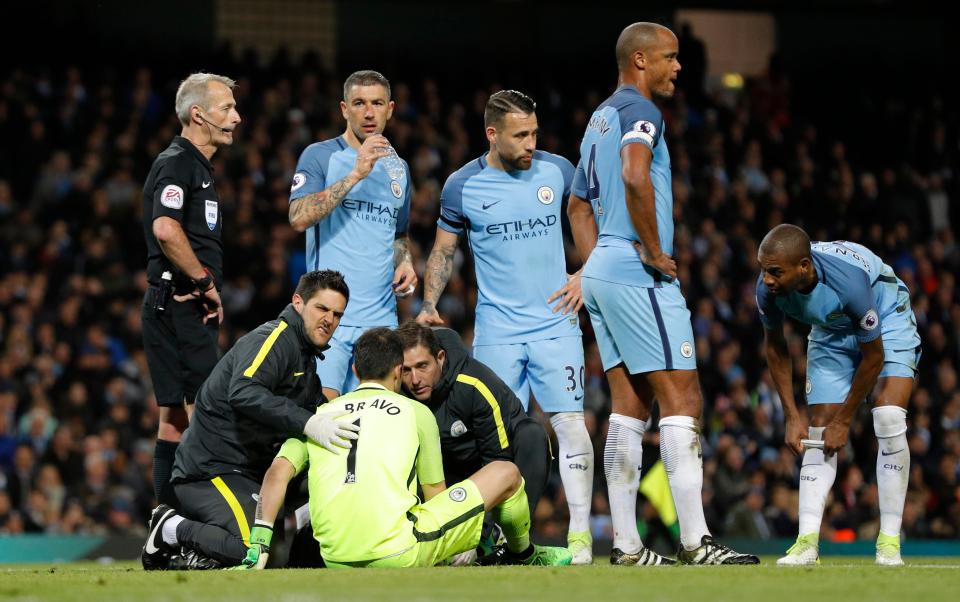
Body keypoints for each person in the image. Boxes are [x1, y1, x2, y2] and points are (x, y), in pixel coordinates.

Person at [567, 22, 758, 565]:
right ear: (641, 61)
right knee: (684, 399)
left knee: (629, 406)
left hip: (603, 266)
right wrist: (650, 250)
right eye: (671, 58)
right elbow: (634, 175)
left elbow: (577, 205)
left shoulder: (598, 119)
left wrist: (593, 265)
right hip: (634, 266)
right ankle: (697, 541)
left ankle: (627, 546)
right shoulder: (642, 113)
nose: (679, 67)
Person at [416, 90, 595, 564]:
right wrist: (429, 301)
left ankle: (580, 538)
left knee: (571, 425)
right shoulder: (461, 185)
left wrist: (586, 273)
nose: (530, 143)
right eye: (520, 135)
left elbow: (589, 221)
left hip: (556, 322)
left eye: (534, 132)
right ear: (492, 134)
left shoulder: (558, 171)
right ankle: (486, 537)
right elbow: (444, 250)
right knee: (492, 439)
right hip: (496, 331)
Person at [235, 328, 571, 569]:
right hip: (401, 551)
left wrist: (259, 543)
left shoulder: (319, 416)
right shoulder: (414, 412)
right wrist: (465, 540)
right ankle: (524, 555)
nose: (414, 378)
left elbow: (277, 473)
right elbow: (436, 496)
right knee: (506, 472)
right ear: (398, 371)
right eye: (407, 370)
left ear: (354, 371)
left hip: (335, 557)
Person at [141, 270, 361, 569]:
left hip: (247, 473)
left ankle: (201, 555)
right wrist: (308, 423)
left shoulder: (304, 357)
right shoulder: (274, 339)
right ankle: (169, 526)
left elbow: (317, 408)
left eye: (337, 314)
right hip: (211, 471)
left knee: (276, 557)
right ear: (298, 303)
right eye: (322, 308)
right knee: (252, 549)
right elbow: (243, 391)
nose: (329, 320)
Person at [757, 225, 921, 566]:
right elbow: (775, 348)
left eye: (775, 272)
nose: (767, 279)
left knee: (888, 415)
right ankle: (806, 544)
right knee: (818, 431)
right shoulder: (768, 290)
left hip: (886, 317)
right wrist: (791, 415)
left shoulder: (849, 284)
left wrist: (845, 420)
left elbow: (873, 356)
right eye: (763, 270)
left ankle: (889, 543)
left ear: (804, 267)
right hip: (831, 329)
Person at [141, 72, 241, 507]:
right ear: (198, 114)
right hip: (183, 303)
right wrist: (202, 281)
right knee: (207, 416)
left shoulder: (194, 165)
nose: (236, 117)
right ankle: (201, 521)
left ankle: (163, 523)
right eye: (227, 109)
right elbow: (166, 227)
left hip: (169, 301)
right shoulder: (179, 161)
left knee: (173, 421)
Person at [288, 69, 417, 403]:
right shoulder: (320, 156)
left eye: (377, 103)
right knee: (326, 417)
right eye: (359, 103)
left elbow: (398, 234)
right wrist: (356, 174)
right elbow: (298, 217)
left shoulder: (399, 169)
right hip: (330, 317)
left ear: (391, 108)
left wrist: (405, 261)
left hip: (381, 320)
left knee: (377, 421)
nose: (369, 112)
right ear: (344, 109)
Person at [395, 322, 552, 561]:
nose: (415, 379)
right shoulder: (397, 394)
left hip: (492, 467)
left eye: (422, 366)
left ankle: (510, 543)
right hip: (443, 474)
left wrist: (478, 532)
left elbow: (498, 461)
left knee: (533, 436)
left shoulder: (476, 384)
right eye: (406, 370)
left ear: (440, 358)